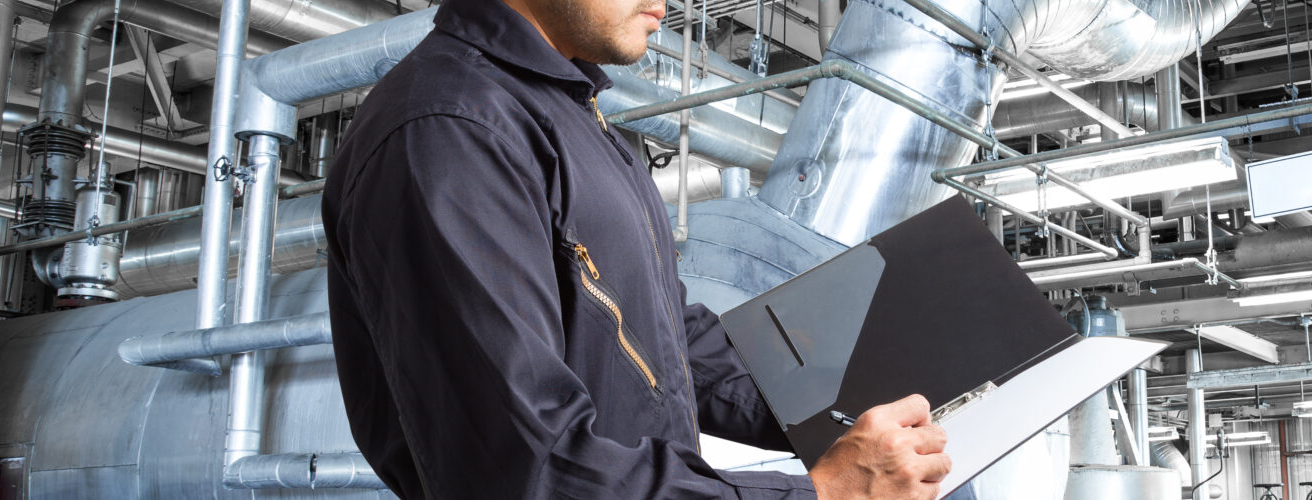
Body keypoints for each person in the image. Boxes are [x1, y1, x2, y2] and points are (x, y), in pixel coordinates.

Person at [319, 0, 951, 497]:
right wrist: (821, 495)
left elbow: (672, 344)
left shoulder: (575, 122)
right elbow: (522, 470)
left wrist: (846, 400)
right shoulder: (450, 130)